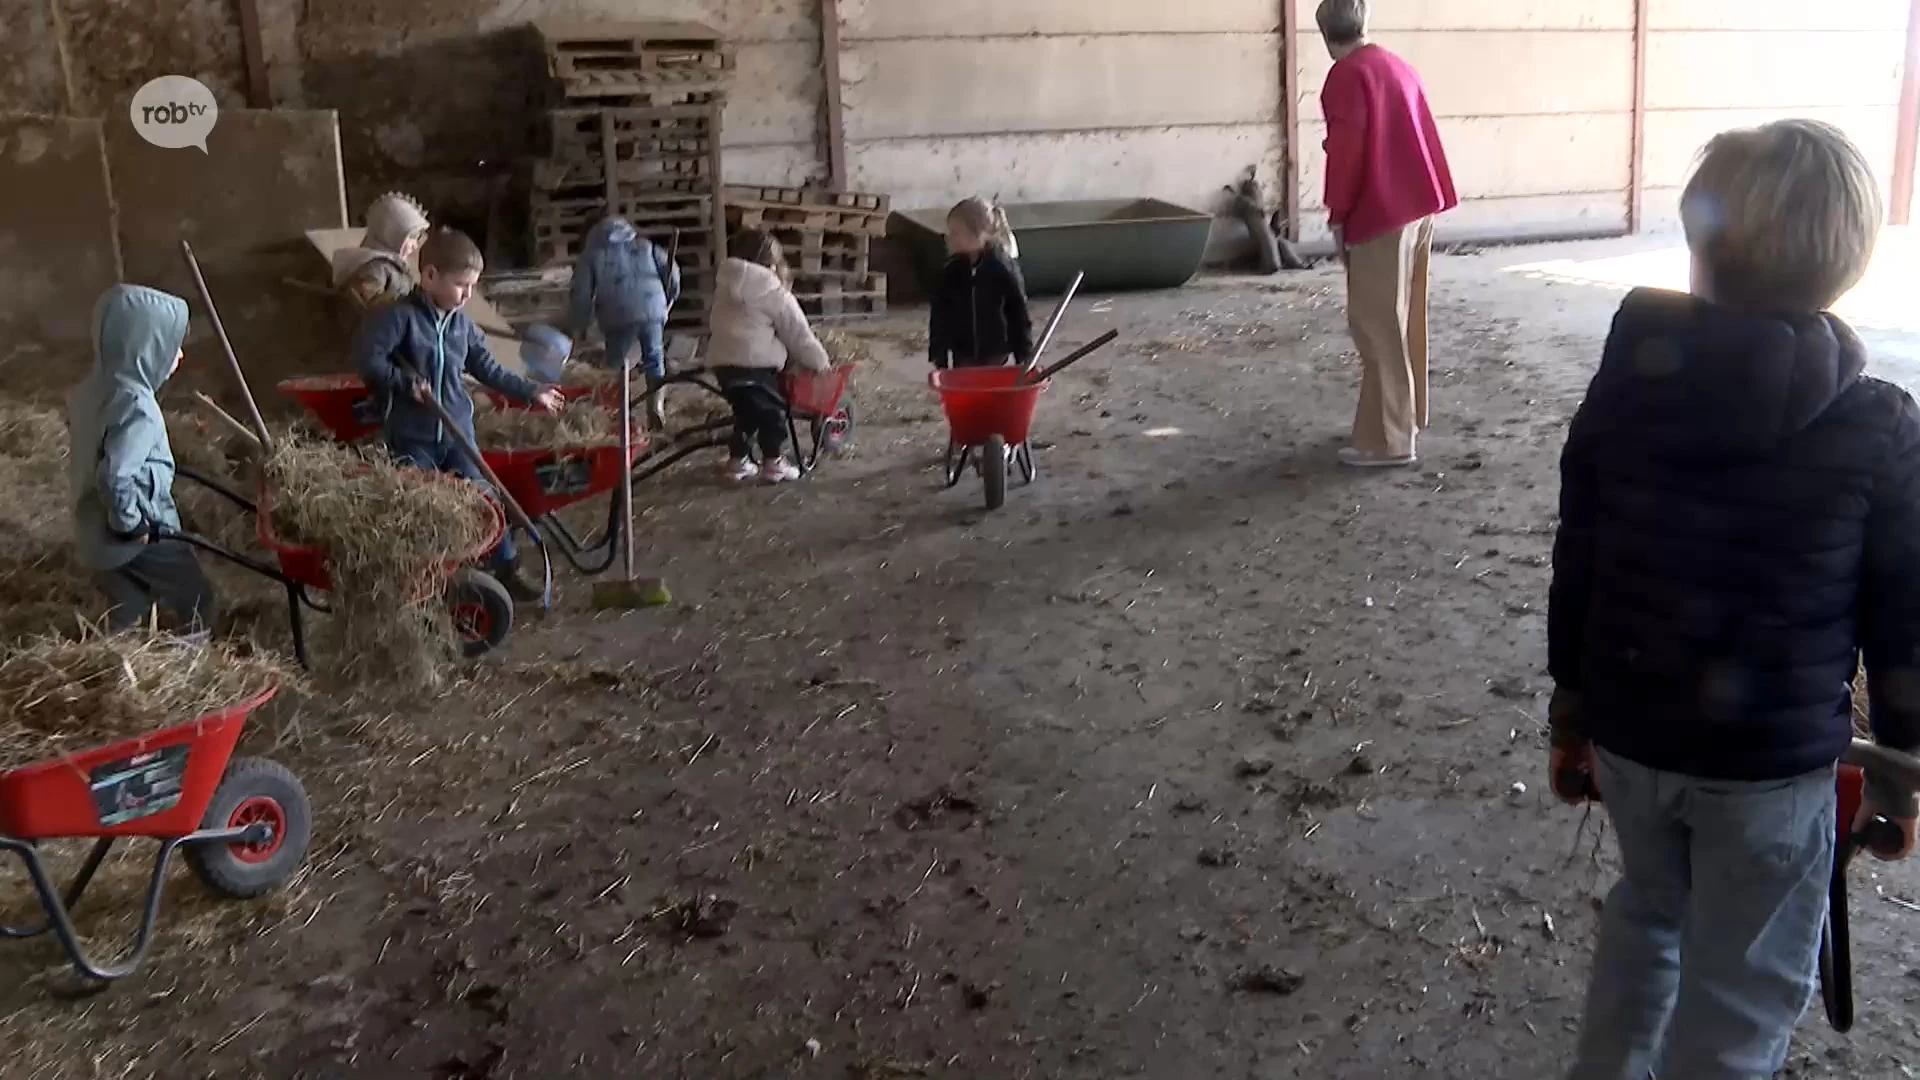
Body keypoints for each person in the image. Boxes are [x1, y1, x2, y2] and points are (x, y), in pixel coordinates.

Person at [1549, 119, 1920, 1080]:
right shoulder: (1879, 427)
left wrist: (1572, 710)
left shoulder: (1626, 381)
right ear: (1847, 264)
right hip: (1771, 773)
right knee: (1741, 994)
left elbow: (1580, 551)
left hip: (1631, 739)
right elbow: (1903, 618)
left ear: (1700, 247)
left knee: (1647, 912)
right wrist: (1905, 771)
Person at [353, 228, 564, 599]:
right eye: (461, 285)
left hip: (457, 434)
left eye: (472, 286)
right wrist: (405, 384)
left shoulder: (462, 326)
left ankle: (506, 567)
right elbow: (370, 362)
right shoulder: (399, 319)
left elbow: (489, 370)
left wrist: (533, 392)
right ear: (430, 276)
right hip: (412, 435)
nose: (468, 295)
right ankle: (431, 585)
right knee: (425, 509)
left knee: (484, 499)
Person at [1315, 0, 1456, 468]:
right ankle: (1406, 417)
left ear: (1324, 35)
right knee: (1405, 316)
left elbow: (1347, 151)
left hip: (1381, 212)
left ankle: (1388, 441)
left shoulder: (1347, 76)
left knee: (1375, 325)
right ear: (1364, 23)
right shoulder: (1397, 65)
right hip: (1418, 205)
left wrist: (1338, 213)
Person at [68, 284, 216, 636]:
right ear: (145, 346)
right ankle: (190, 671)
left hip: (93, 533)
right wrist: (131, 525)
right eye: (170, 346)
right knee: (197, 598)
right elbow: (115, 477)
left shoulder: (92, 390)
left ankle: (111, 672)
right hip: (136, 534)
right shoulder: (139, 408)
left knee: (127, 609)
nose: (179, 355)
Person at [706, 227, 831, 484]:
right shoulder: (773, 291)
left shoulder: (725, 285)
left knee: (746, 412)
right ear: (772, 262)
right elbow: (797, 333)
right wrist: (820, 362)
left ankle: (738, 460)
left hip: (723, 365)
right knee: (774, 412)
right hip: (756, 366)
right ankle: (774, 462)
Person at [569, 216, 681, 429]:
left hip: (617, 312)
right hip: (652, 307)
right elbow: (673, 273)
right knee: (655, 358)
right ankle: (655, 407)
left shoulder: (592, 255)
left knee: (614, 364)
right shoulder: (646, 246)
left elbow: (581, 294)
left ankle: (615, 413)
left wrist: (580, 323)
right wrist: (669, 297)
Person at [928, 197, 1032, 369]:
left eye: (956, 233)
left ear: (979, 235)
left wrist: (1025, 355)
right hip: (962, 352)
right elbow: (940, 314)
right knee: (966, 391)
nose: (950, 238)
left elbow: (1018, 314)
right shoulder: (950, 272)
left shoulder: (1003, 269)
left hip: (995, 352)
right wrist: (939, 353)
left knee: (991, 390)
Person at [332, 192, 430, 317]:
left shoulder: (394, 265)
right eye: (411, 237)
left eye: (418, 238)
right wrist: (405, 308)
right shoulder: (376, 269)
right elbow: (368, 303)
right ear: (391, 235)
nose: (415, 245)